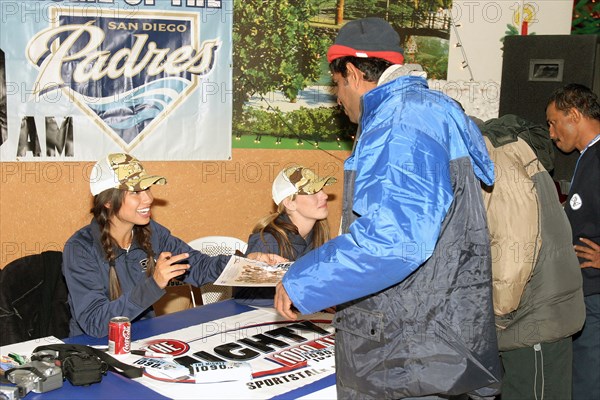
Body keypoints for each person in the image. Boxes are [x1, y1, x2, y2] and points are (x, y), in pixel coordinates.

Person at [274, 18, 501, 399]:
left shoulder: (399, 123)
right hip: (441, 338)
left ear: (352, 72)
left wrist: (304, 279)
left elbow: (395, 242)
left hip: (406, 353)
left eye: (337, 85)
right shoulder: (434, 109)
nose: (337, 96)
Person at [63, 153, 284, 338]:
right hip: (95, 349)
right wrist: (154, 284)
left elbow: (198, 266)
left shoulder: (152, 233)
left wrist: (246, 264)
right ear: (108, 201)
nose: (148, 199)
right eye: (136, 193)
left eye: (147, 189)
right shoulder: (80, 249)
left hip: (143, 340)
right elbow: (95, 323)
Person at [477, 114, 585, 399]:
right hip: (532, 312)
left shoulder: (499, 156)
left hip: (530, 319)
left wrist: (499, 317)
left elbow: (514, 249)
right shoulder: (503, 151)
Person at [546, 84, 600, 400]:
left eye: (553, 122)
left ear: (575, 114)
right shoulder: (588, 156)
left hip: (595, 294)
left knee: (587, 384)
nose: (551, 133)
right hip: (585, 292)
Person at [234, 165, 336, 306]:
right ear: (289, 203)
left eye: (322, 189)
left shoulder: (318, 233)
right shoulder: (268, 241)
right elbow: (244, 297)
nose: (324, 196)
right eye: (313, 192)